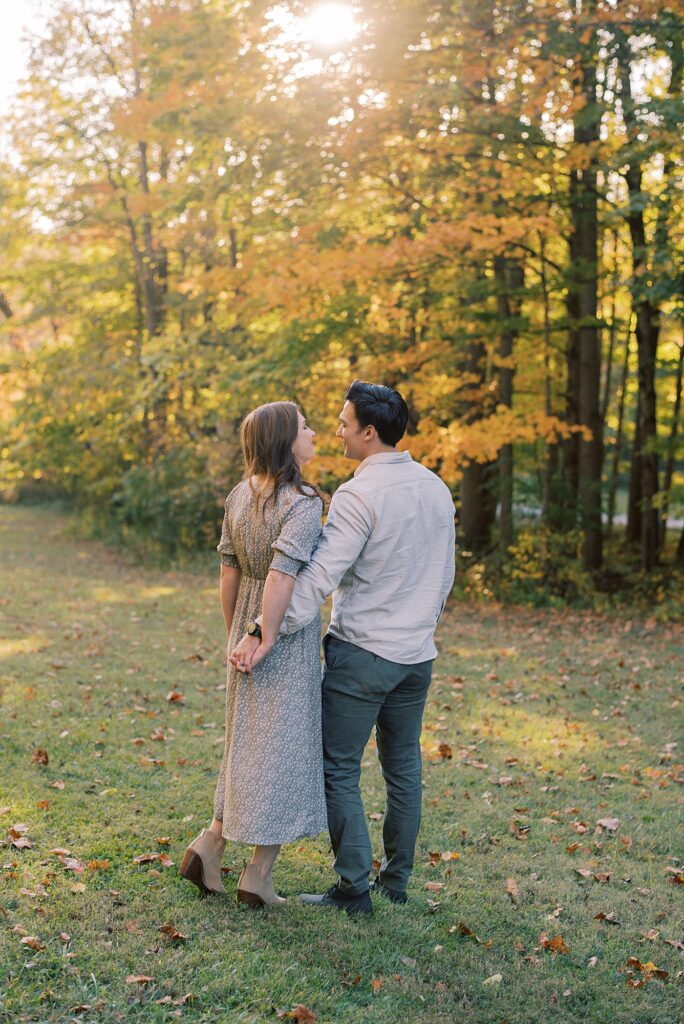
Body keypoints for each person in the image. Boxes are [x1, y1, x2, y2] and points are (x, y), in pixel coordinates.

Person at [231, 380, 455, 915]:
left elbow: (317, 578)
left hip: (362, 655)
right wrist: (424, 626)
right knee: (403, 767)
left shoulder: (360, 494)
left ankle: (355, 888)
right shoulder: (435, 487)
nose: (336, 428)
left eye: (344, 421)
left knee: (338, 769)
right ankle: (395, 881)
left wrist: (264, 630)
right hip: (417, 657)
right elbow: (444, 574)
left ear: (369, 432)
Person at [179, 401, 327, 908]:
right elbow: (283, 576)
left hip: (246, 620)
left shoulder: (239, 495)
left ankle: (211, 844)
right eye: (306, 427)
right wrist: (263, 638)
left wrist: (236, 635)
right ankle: (258, 873)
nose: (314, 433)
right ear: (286, 440)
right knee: (283, 747)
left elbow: (229, 572)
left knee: (246, 743)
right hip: (280, 630)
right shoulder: (303, 502)